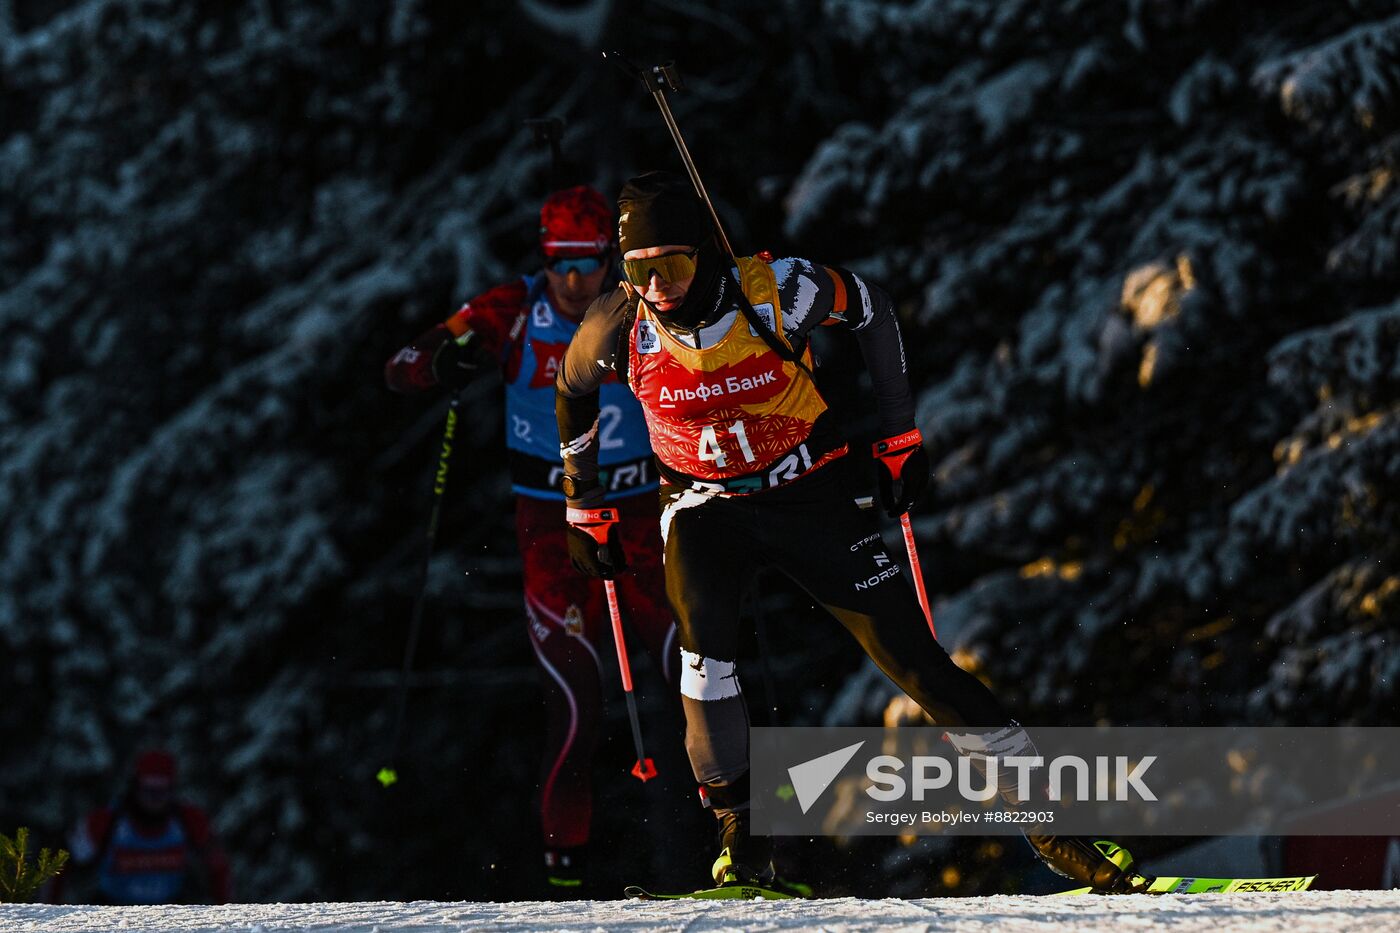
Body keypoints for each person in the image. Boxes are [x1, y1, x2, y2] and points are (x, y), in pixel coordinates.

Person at [555, 170, 1143, 893]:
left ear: (707, 254)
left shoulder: (778, 291)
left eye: (672, 265)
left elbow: (872, 309)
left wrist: (901, 436)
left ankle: (1055, 830)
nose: (659, 288)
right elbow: (571, 390)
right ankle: (742, 843)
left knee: (913, 659)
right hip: (704, 507)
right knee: (704, 661)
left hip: (809, 489)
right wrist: (583, 503)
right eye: (640, 270)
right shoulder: (621, 325)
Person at [385, 185, 678, 893]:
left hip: (644, 528)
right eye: (561, 264)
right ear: (544, 261)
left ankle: (764, 847)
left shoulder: (649, 301)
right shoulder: (513, 310)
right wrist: (436, 365)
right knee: (576, 711)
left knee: (705, 683)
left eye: (591, 263)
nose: (576, 281)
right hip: (553, 540)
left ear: (614, 257)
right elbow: (401, 364)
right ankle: (564, 884)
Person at [52, 748, 231, 904]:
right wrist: (49, 912)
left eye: (161, 792)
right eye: (149, 791)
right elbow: (58, 862)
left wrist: (225, 914)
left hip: (172, 914)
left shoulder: (190, 821)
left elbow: (218, 866)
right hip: (113, 915)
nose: (154, 800)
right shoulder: (105, 822)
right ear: (136, 787)